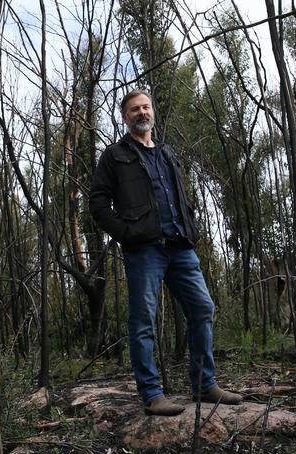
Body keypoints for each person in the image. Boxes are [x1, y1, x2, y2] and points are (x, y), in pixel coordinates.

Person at [89, 89, 242, 416]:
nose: (141, 112)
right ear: (125, 117)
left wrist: (192, 227)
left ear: (153, 112)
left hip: (180, 246)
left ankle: (205, 383)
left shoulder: (168, 152)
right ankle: (152, 394)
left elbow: (179, 196)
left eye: (145, 107)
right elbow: (98, 203)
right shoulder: (115, 155)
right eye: (134, 109)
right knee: (143, 319)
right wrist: (127, 232)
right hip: (145, 250)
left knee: (203, 308)